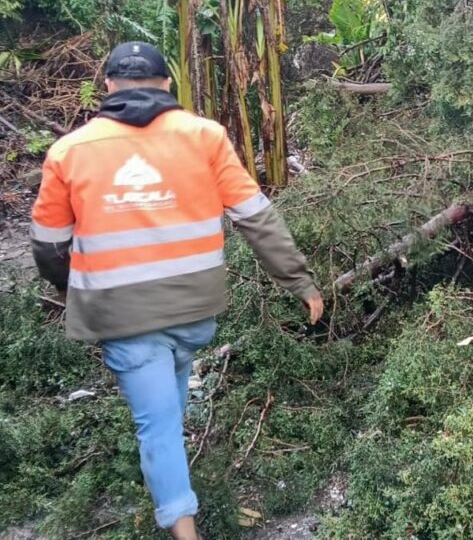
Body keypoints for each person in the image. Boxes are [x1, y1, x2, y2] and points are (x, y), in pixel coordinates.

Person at [29, 42, 323, 540]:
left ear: (108, 86)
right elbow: (257, 218)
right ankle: (168, 474)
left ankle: (183, 528)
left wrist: (71, 289)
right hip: (194, 312)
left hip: (124, 316)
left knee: (158, 424)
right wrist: (299, 280)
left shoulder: (69, 151)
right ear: (167, 84)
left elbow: (49, 245)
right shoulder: (205, 136)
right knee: (167, 408)